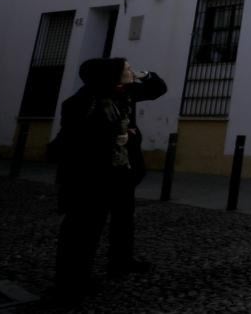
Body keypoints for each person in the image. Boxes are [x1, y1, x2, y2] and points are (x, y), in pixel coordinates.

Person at [52, 57, 166, 301]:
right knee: (83, 229)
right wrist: (116, 135)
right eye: (126, 68)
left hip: (121, 170)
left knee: (124, 218)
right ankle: (73, 280)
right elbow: (75, 141)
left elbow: (158, 89)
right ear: (110, 75)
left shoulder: (124, 92)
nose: (130, 70)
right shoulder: (79, 103)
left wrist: (144, 73)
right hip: (91, 177)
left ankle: (121, 260)